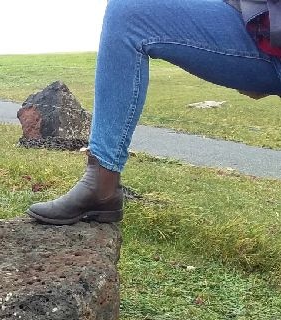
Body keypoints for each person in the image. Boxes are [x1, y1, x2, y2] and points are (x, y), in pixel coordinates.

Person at [27, 0, 281, 226]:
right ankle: (101, 183)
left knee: (129, 13)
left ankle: (101, 184)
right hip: (258, 23)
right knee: (129, 12)